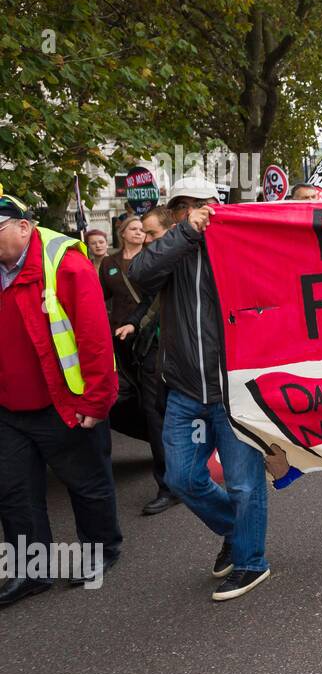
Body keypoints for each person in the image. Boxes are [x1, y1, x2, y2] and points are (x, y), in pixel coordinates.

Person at [129, 173, 272, 600]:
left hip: (233, 390)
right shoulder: (168, 252)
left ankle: (250, 561)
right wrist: (185, 235)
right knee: (182, 477)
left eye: (203, 203)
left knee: (244, 483)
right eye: (184, 206)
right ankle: (236, 529)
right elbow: (138, 273)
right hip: (185, 389)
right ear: (174, 214)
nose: (195, 211)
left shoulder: (237, 245)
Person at [0, 193, 121, 607]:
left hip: (64, 402)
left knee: (87, 484)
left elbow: (94, 338)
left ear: (23, 227)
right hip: (9, 407)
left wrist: (97, 401)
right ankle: (31, 571)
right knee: (14, 492)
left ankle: (101, 550)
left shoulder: (65, 263)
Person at [100, 214, 176, 514]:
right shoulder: (122, 263)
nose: (145, 240)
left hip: (191, 353)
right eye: (141, 233)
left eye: (151, 234)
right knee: (154, 412)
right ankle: (168, 485)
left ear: (172, 231)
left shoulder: (189, 256)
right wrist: (132, 324)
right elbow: (149, 300)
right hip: (150, 350)